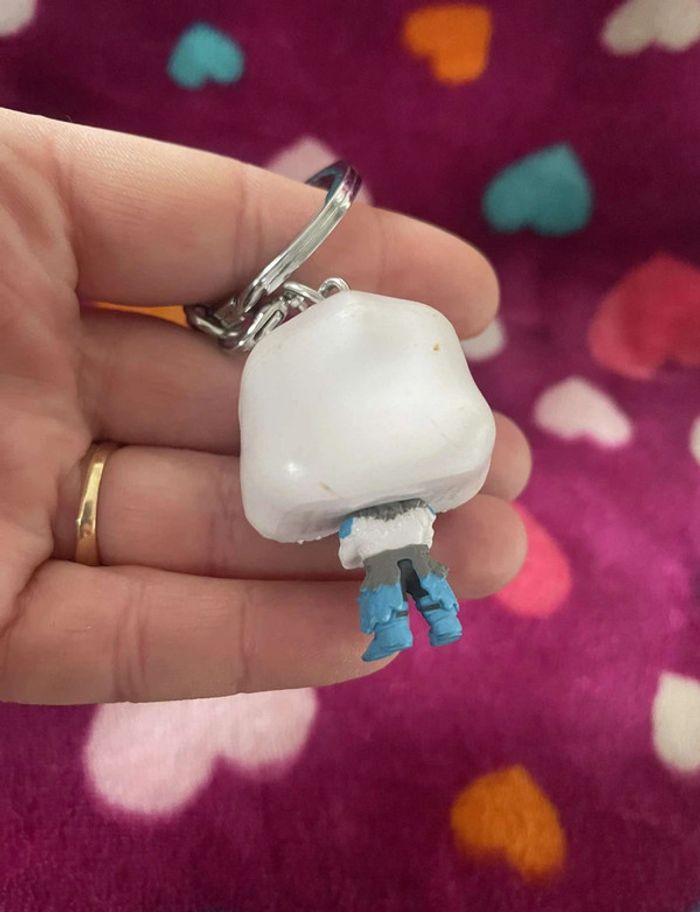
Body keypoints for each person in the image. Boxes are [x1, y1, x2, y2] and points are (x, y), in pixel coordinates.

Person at [0, 107, 531, 705]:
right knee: (402, 572)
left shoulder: (321, 358)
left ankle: (421, 621)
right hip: (392, 505)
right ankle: (414, 623)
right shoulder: (317, 360)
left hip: (388, 503)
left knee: (406, 571)